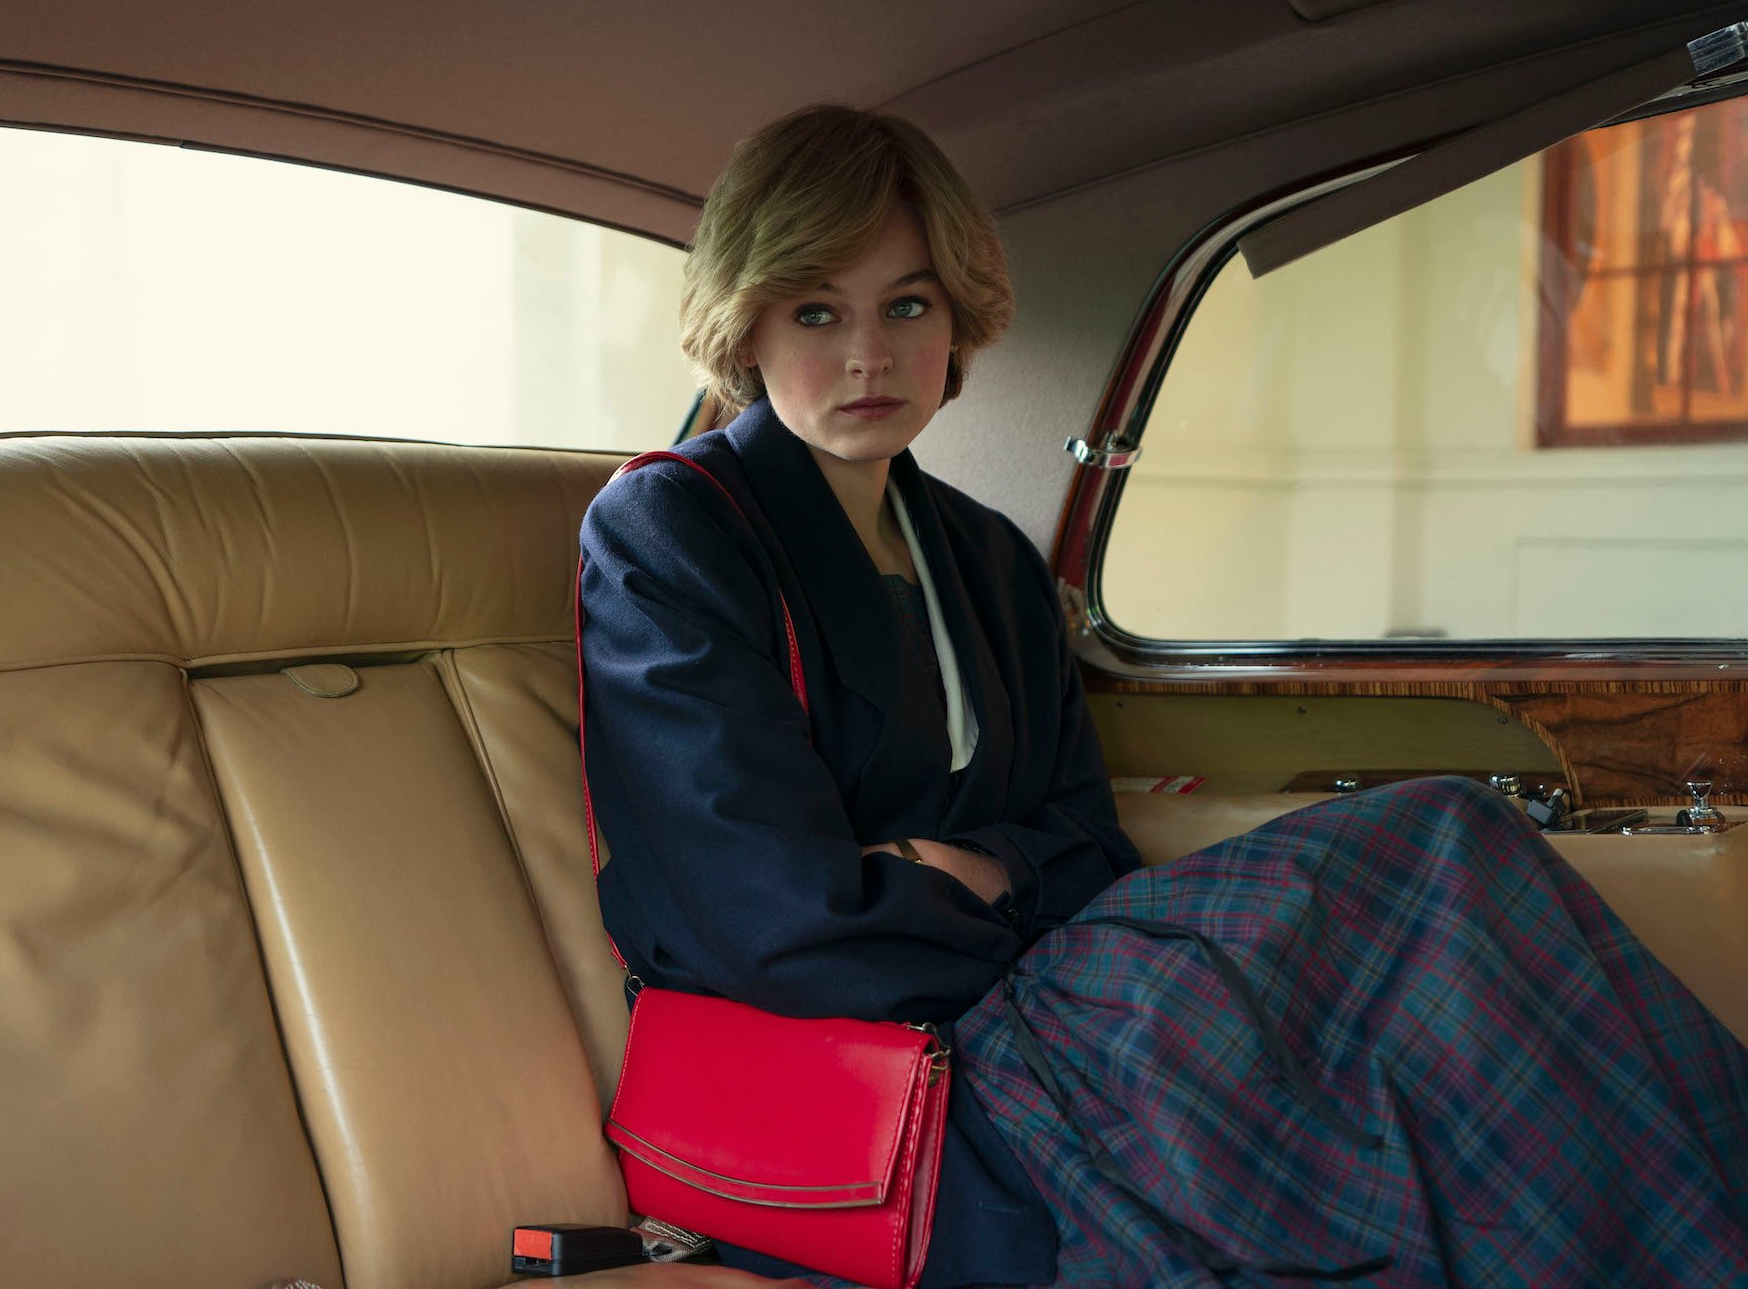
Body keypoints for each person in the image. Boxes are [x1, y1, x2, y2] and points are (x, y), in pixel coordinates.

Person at [576, 104, 1748, 1286]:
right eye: (816, 311)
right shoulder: (673, 529)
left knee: (1456, 846)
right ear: (745, 320)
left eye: (907, 305)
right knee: (1410, 919)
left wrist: (972, 867)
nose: (869, 354)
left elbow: (1087, 843)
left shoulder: (981, 554)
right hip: (886, 1071)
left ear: (956, 317)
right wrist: (1016, 898)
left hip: (1049, 993)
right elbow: (765, 914)